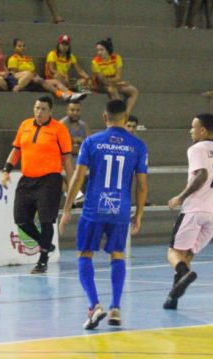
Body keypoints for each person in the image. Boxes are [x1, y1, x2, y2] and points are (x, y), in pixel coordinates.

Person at [59, 99, 148, 329]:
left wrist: (67, 208)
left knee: (85, 254)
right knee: (117, 254)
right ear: (126, 119)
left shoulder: (91, 142)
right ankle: (116, 307)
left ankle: (94, 305)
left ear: (104, 117)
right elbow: (142, 185)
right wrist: (138, 214)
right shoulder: (138, 146)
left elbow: (77, 178)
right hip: (120, 210)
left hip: (93, 208)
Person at [163, 113, 213, 310]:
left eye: (193, 127)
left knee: (173, 252)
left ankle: (182, 274)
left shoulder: (196, 149)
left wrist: (180, 197)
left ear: (203, 130)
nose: (191, 130)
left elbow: (202, 175)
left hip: (195, 209)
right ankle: (173, 299)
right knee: (187, 254)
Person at [0, 95, 73, 274]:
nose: (39, 112)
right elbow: (16, 150)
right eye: (37, 108)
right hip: (28, 178)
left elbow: (67, 159)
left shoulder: (59, 129)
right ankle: (46, 245)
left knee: (46, 220)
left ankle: (42, 261)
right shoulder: (25, 125)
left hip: (49, 179)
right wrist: (6, 170)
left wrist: (72, 183)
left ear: (50, 111)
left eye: (43, 109)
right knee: (21, 219)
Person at [7, 38, 87, 102]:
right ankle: (61, 94)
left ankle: (71, 94)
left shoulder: (29, 59)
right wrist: (28, 75)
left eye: (23, 46)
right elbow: (14, 74)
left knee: (55, 82)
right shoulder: (13, 59)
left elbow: (34, 72)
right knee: (39, 79)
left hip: (34, 81)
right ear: (14, 48)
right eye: (19, 46)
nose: (22, 48)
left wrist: (34, 76)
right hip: (23, 83)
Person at [91, 38, 139, 116]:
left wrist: (117, 82)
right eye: (97, 50)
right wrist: (118, 84)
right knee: (112, 90)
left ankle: (126, 114)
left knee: (134, 91)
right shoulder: (95, 62)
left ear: (108, 50)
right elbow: (102, 81)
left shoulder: (117, 58)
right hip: (99, 86)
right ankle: (120, 114)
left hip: (114, 83)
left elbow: (118, 77)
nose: (99, 52)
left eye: (101, 50)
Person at [60, 101, 90, 205]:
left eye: (78, 110)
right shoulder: (62, 124)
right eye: (72, 110)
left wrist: (78, 141)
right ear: (67, 110)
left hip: (79, 157)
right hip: (64, 158)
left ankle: (77, 196)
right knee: (68, 165)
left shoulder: (84, 125)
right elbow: (63, 146)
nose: (75, 113)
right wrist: (76, 141)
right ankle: (75, 196)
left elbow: (88, 144)